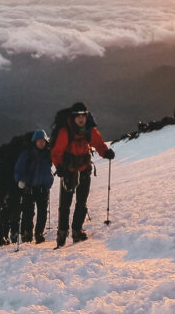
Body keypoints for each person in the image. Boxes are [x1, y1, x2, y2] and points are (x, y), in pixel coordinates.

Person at [50, 102, 115, 247]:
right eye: (78, 116)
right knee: (65, 204)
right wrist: (59, 167)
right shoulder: (65, 131)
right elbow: (56, 152)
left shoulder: (89, 130)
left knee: (81, 201)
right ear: (73, 117)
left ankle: (76, 231)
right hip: (68, 170)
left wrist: (105, 152)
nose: (81, 119)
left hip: (84, 168)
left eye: (83, 115)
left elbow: (98, 143)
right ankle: (62, 233)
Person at [15, 130, 54, 244]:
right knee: (28, 212)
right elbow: (19, 169)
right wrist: (20, 180)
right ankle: (27, 232)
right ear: (34, 142)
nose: (41, 143)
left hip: (43, 187)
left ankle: (39, 233)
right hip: (29, 187)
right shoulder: (27, 154)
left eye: (43, 141)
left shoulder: (48, 153)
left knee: (42, 211)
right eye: (39, 141)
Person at [0, 142, 25, 245]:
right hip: (11, 194)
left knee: (5, 216)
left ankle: (3, 237)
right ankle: (10, 234)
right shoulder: (13, 171)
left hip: (5, 195)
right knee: (12, 215)